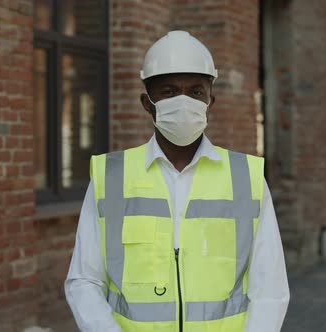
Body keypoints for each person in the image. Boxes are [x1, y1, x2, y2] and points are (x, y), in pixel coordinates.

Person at [65, 30, 290, 332]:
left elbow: (270, 287)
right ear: (147, 102)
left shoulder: (246, 177)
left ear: (211, 99)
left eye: (196, 91)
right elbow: (85, 280)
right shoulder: (111, 177)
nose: (184, 102)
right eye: (169, 91)